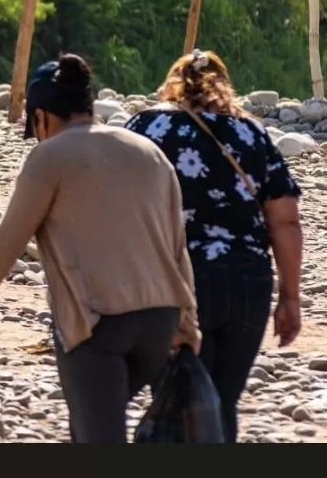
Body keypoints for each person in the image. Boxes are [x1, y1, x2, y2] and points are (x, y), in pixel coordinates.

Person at [0, 54, 200, 444]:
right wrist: (188, 324)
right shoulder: (148, 151)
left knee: (98, 436)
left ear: (40, 117)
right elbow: (178, 246)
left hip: (97, 326)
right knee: (89, 427)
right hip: (160, 322)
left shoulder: (50, 157)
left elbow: (5, 246)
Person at [123, 49, 303, 442]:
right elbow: (285, 219)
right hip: (248, 283)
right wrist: (290, 297)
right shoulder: (251, 134)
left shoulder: (146, 127)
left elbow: (116, 204)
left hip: (176, 279)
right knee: (222, 403)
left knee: (175, 398)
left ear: (172, 85)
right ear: (224, 86)